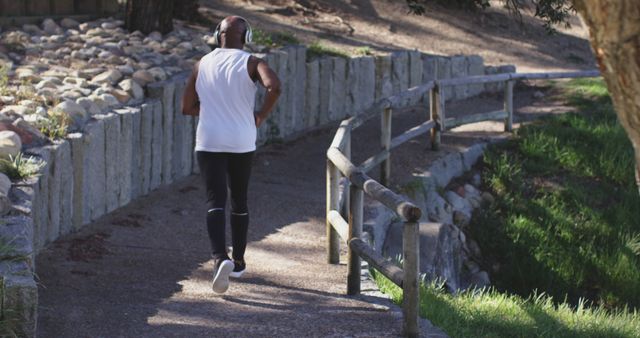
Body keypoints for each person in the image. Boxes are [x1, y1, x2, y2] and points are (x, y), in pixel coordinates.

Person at [182, 16, 281, 294]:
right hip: (241, 140)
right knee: (239, 199)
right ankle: (237, 261)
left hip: (209, 140)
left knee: (215, 201)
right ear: (245, 37)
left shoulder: (201, 64)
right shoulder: (252, 63)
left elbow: (186, 107)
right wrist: (260, 115)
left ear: (218, 35)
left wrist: (211, 110)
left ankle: (219, 258)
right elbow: (275, 86)